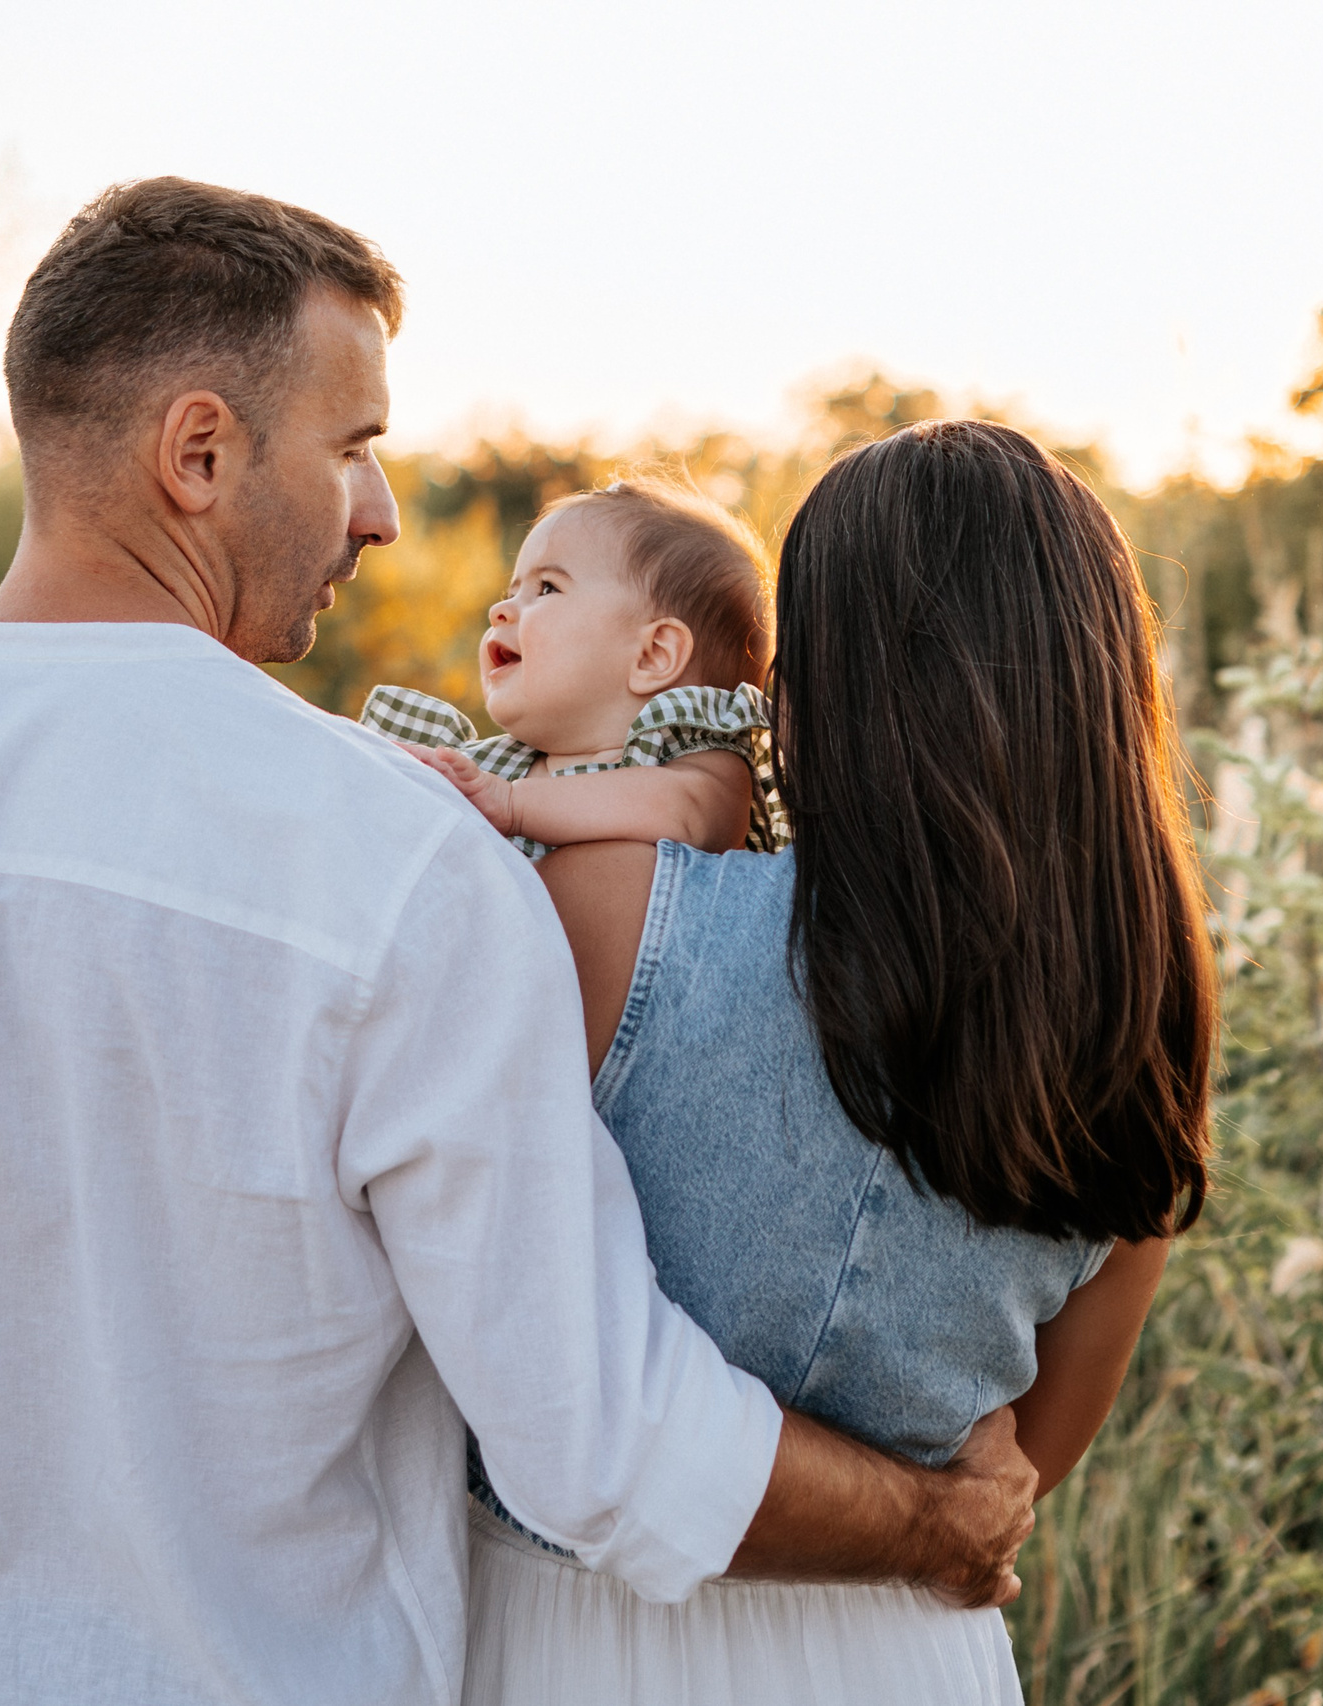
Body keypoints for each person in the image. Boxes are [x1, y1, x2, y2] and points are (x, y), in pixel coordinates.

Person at [0, 179, 1041, 1706]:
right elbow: (597, 1436)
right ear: (200, 453)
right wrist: (937, 1523)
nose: (385, 509)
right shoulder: (402, 865)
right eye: (353, 445)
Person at [457, 420, 1219, 1705]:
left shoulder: (613, 905)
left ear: (825, 681)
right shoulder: (1138, 1024)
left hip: (569, 1630)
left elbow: (489, 1324)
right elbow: (1026, 1457)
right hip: (909, 1644)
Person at [366, 474, 782, 858]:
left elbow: (688, 814)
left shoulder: (694, 756)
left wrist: (513, 804)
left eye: (547, 587)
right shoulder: (479, 769)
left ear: (654, 654)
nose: (500, 610)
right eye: (512, 590)